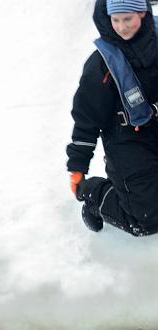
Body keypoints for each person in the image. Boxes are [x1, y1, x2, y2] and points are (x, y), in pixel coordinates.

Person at [67, 0, 158, 236]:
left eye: (127, 19)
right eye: (115, 20)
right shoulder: (101, 64)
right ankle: (95, 196)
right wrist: (78, 166)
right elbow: (86, 119)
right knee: (147, 220)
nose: (121, 27)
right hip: (127, 141)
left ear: (143, 13)